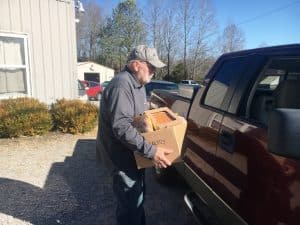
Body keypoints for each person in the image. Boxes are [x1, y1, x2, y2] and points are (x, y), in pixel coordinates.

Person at [96, 45, 173, 225]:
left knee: (136, 200)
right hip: (121, 157)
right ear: (137, 65)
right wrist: (151, 151)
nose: (154, 71)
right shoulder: (122, 84)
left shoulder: (138, 85)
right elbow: (122, 127)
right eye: (151, 67)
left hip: (133, 155)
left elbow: (137, 119)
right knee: (130, 206)